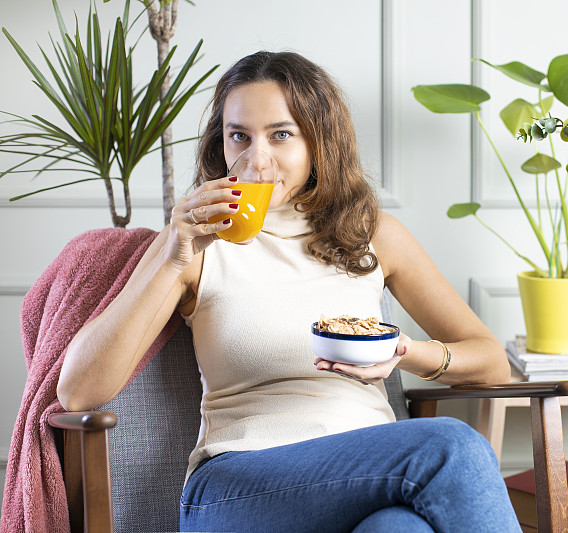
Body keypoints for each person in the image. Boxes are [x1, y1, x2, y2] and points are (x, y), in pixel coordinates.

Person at [57, 50, 520, 533]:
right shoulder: (194, 242)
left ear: (319, 141)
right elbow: (77, 391)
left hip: (372, 472)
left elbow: (490, 362)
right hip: (238, 486)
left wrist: (404, 352)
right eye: (239, 136)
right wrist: (175, 253)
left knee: (398, 528)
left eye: (281, 134)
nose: (256, 159)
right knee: (452, 446)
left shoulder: (373, 234)